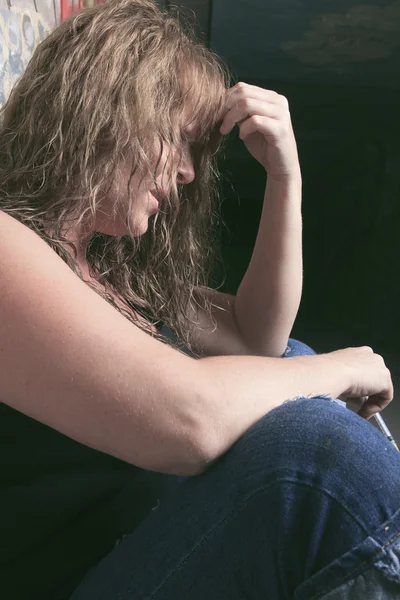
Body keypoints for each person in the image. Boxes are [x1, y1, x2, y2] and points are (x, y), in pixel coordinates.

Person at [0, 1, 399, 599]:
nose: (188, 173)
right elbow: (190, 421)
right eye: (177, 140)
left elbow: (255, 342)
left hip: (144, 555)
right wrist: (346, 366)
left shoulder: (111, 272)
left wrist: (285, 177)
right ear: (108, 110)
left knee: (290, 360)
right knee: (317, 464)